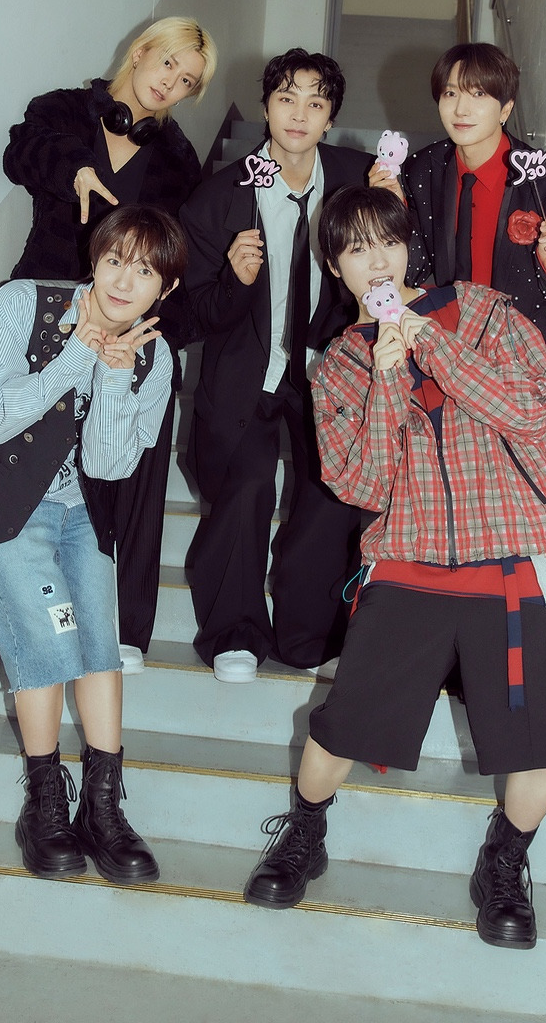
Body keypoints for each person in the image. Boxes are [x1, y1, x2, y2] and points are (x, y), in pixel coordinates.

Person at [240, 185, 546, 952]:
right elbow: (361, 484)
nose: (376, 261)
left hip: (522, 553)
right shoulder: (340, 364)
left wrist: (432, 344)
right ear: (335, 268)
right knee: (341, 730)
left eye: (387, 242)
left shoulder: (487, 312)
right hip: (409, 560)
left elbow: (531, 408)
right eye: (355, 248)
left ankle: (504, 859)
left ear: (408, 249)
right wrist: (388, 377)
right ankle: (305, 830)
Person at [0, 204, 188, 885]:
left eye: (145, 272)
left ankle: (103, 810)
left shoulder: (156, 357)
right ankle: (45, 805)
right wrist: (78, 353)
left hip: (84, 508)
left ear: (166, 288)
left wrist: (112, 374)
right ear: (95, 258)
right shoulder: (22, 304)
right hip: (8, 500)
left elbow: (111, 466)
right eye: (114, 261)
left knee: (100, 647)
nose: (123, 282)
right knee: (50, 646)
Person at [179, 48, 403, 683]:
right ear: (266, 107)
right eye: (286, 99)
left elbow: (395, 259)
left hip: (331, 368)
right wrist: (234, 279)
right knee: (247, 484)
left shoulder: (360, 181)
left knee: (329, 496)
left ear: (330, 116)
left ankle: (310, 633)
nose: (299, 114)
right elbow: (192, 313)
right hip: (249, 371)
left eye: (315, 102)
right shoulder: (219, 198)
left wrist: (396, 205)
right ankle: (234, 633)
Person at [2, 16, 218, 674]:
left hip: (124, 327)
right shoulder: (63, 111)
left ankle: (125, 627)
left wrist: (158, 335)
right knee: (36, 471)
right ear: (141, 51)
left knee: (132, 455)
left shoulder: (178, 159)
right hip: (47, 314)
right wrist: (76, 171)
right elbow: (20, 153)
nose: (171, 85)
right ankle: (39, 621)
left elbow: (177, 253)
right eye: (168, 65)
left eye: (187, 82)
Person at [401, 42, 546, 382]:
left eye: (478, 94)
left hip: (528, 358)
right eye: (450, 93)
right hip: (454, 352)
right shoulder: (424, 170)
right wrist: (391, 215)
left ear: (506, 108)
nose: (461, 109)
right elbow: (413, 269)